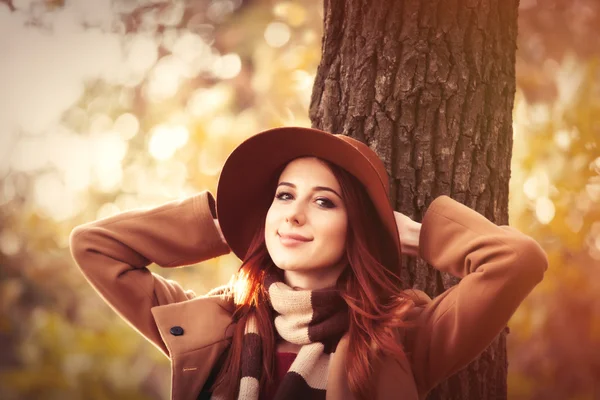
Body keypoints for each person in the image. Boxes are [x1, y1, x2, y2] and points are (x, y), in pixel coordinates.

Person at [69, 126, 548, 400]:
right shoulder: (215, 325)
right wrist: (226, 225)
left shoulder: (402, 331)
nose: (294, 213)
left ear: (355, 228)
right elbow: (94, 246)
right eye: (283, 196)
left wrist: (417, 237)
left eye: (324, 202)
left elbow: (517, 260)